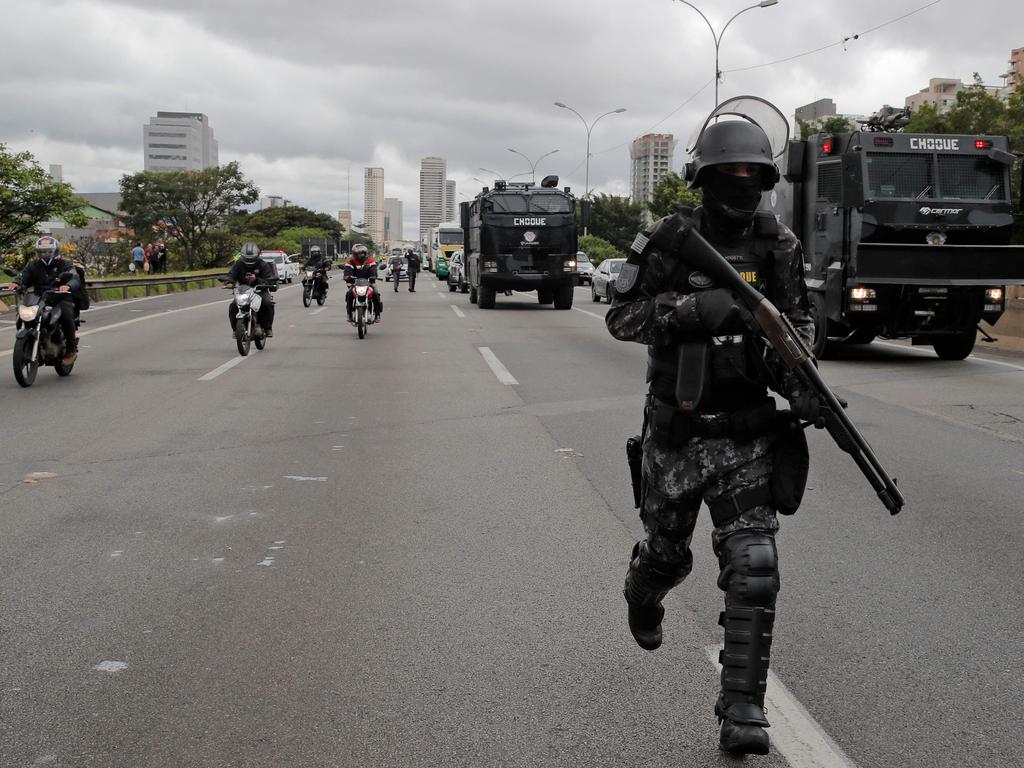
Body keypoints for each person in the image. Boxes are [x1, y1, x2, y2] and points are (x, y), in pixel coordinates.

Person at [606, 116, 816, 756]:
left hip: (747, 433)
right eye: (730, 174)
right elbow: (620, 315)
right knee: (668, 555)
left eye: (753, 176)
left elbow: (797, 327)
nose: (741, 186)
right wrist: (687, 310)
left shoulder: (779, 247)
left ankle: (743, 706)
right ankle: (644, 592)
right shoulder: (669, 241)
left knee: (754, 566)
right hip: (675, 433)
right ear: (703, 177)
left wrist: (800, 377)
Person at [3, 236, 81, 364]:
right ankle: (30, 339)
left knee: (66, 315)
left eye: (49, 251)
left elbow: (74, 277)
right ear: (38, 253)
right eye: (43, 252)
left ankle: (71, 350)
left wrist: (67, 285)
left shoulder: (64, 264)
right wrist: (16, 283)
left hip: (60, 297)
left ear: (55, 252)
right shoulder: (33, 265)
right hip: (39, 298)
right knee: (23, 313)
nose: (46, 254)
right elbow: (24, 276)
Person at [224, 242, 276, 337]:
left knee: (267, 303)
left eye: (251, 258)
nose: (249, 260)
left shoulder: (263, 264)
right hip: (243, 291)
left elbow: (270, 279)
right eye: (247, 258)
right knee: (233, 306)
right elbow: (231, 275)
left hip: (260, 290)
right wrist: (229, 282)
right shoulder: (239, 263)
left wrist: (256, 279)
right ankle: (236, 330)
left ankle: (268, 328)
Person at [343, 244, 382, 321]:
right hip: (355, 283)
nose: (361, 255)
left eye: (362, 253)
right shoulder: (350, 262)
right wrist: (347, 277)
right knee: (349, 294)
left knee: (376, 294)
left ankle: (377, 314)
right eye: (358, 253)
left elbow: (374, 270)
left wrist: (373, 276)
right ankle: (349, 314)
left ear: (365, 253)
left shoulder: (370, 261)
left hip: (369, 282)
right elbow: (347, 272)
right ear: (354, 254)